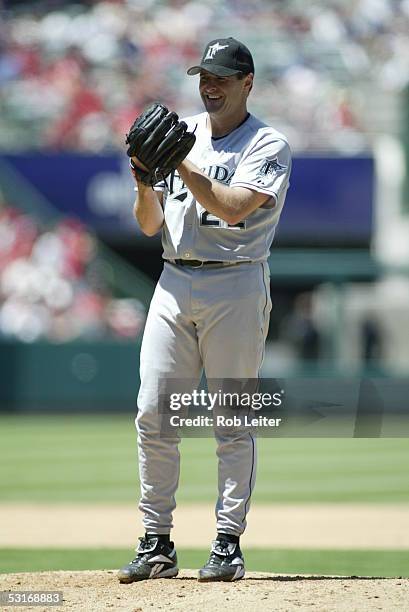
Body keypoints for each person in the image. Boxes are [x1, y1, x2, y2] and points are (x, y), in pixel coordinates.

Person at [118, 37, 292, 584]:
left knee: (232, 421)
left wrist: (182, 165)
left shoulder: (268, 143)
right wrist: (145, 180)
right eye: (203, 76)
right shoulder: (183, 132)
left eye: (220, 76)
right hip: (173, 279)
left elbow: (233, 208)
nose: (208, 85)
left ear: (247, 83)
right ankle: (156, 542)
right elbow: (148, 224)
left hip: (236, 283)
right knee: (152, 410)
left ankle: (226, 543)